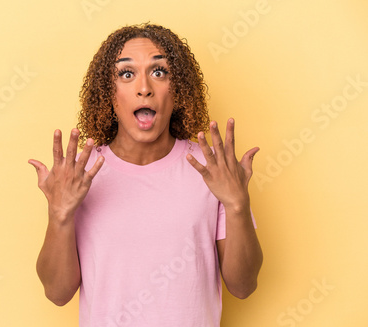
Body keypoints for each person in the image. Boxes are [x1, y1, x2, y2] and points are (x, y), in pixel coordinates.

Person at [29, 23, 263, 327]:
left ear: (178, 91)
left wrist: (237, 206)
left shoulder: (213, 171)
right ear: (108, 94)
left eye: (159, 72)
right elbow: (57, 293)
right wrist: (59, 215)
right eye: (127, 74)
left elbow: (243, 286)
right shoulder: (78, 176)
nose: (144, 87)